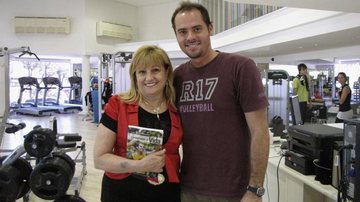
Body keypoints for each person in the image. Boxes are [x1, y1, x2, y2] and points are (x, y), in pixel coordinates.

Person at [171, 2, 270, 202]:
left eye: (196, 29)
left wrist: (255, 188)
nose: (190, 37)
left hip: (235, 192)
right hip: (188, 188)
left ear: (210, 28)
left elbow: (260, 130)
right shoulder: (177, 77)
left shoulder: (240, 67)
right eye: (182, 32)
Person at [93, 45, 183, 202]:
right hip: (122, 192)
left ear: (166, 72)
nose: (149, 78)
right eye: (142, 72)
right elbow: (99, 159)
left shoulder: (176, 108)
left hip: (165, 192)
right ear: (135, 76)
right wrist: (139, 166)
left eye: (155, 70)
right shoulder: (118, 105)